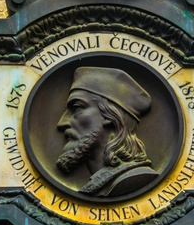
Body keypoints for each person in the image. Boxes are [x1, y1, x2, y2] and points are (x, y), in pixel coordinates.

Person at [56, 67, 158, 197]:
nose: (62, 123)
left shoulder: (131, 179)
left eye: (76, 108)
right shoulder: (99, 185)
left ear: (109, 116)